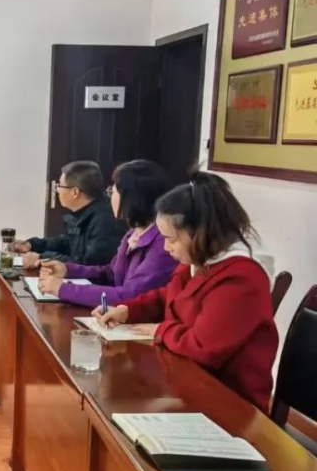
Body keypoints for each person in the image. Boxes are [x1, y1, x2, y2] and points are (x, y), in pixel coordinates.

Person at [96, 171, 277, 411]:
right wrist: (127, 310)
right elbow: (168, 297)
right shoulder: (195, 263)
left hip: (228, 401)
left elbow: (204, 347)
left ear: (200, 233)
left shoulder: (242, 278)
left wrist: (161, 330)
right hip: (183, 380)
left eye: (171, 239)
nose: (166, 247)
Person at [37, 160, 176, 306]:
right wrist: (67, 270)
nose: (110, 197)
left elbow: (130, 296)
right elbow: (110, 273)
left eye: (112, 192)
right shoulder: (133, 233)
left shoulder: (164, 243)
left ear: (131, 198)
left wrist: (63, 289)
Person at [15, 161, 126, 269]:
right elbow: (67, 243)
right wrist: (32, 245)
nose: (57, 190)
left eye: (59, 186)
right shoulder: (83, 212)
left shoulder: (104, 220)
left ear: (75, 192)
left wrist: (42, 258)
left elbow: (88, 264)